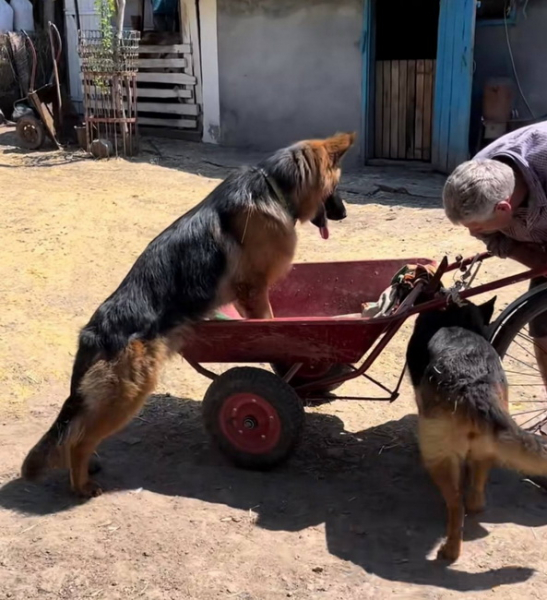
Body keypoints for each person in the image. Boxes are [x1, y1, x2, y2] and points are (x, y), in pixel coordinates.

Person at [442, 121, 547, 384]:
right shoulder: (478, 176)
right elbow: (491, 236)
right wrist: (537, 261)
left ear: (503, 208)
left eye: (477, 226)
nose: (472, 233)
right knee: (544, 329)